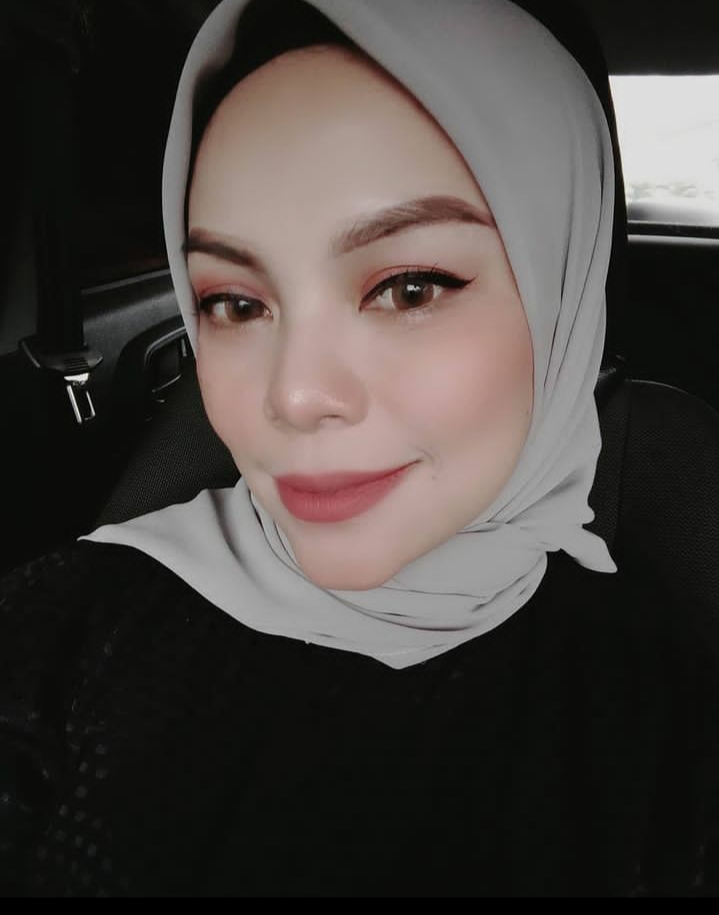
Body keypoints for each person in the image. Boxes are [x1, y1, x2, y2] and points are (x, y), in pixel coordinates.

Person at [1, 0, 717, 897]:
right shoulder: (60, 632)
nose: (295, 395)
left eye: (409, 288)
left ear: (559, 297)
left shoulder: (664, 726)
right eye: (234, 303)